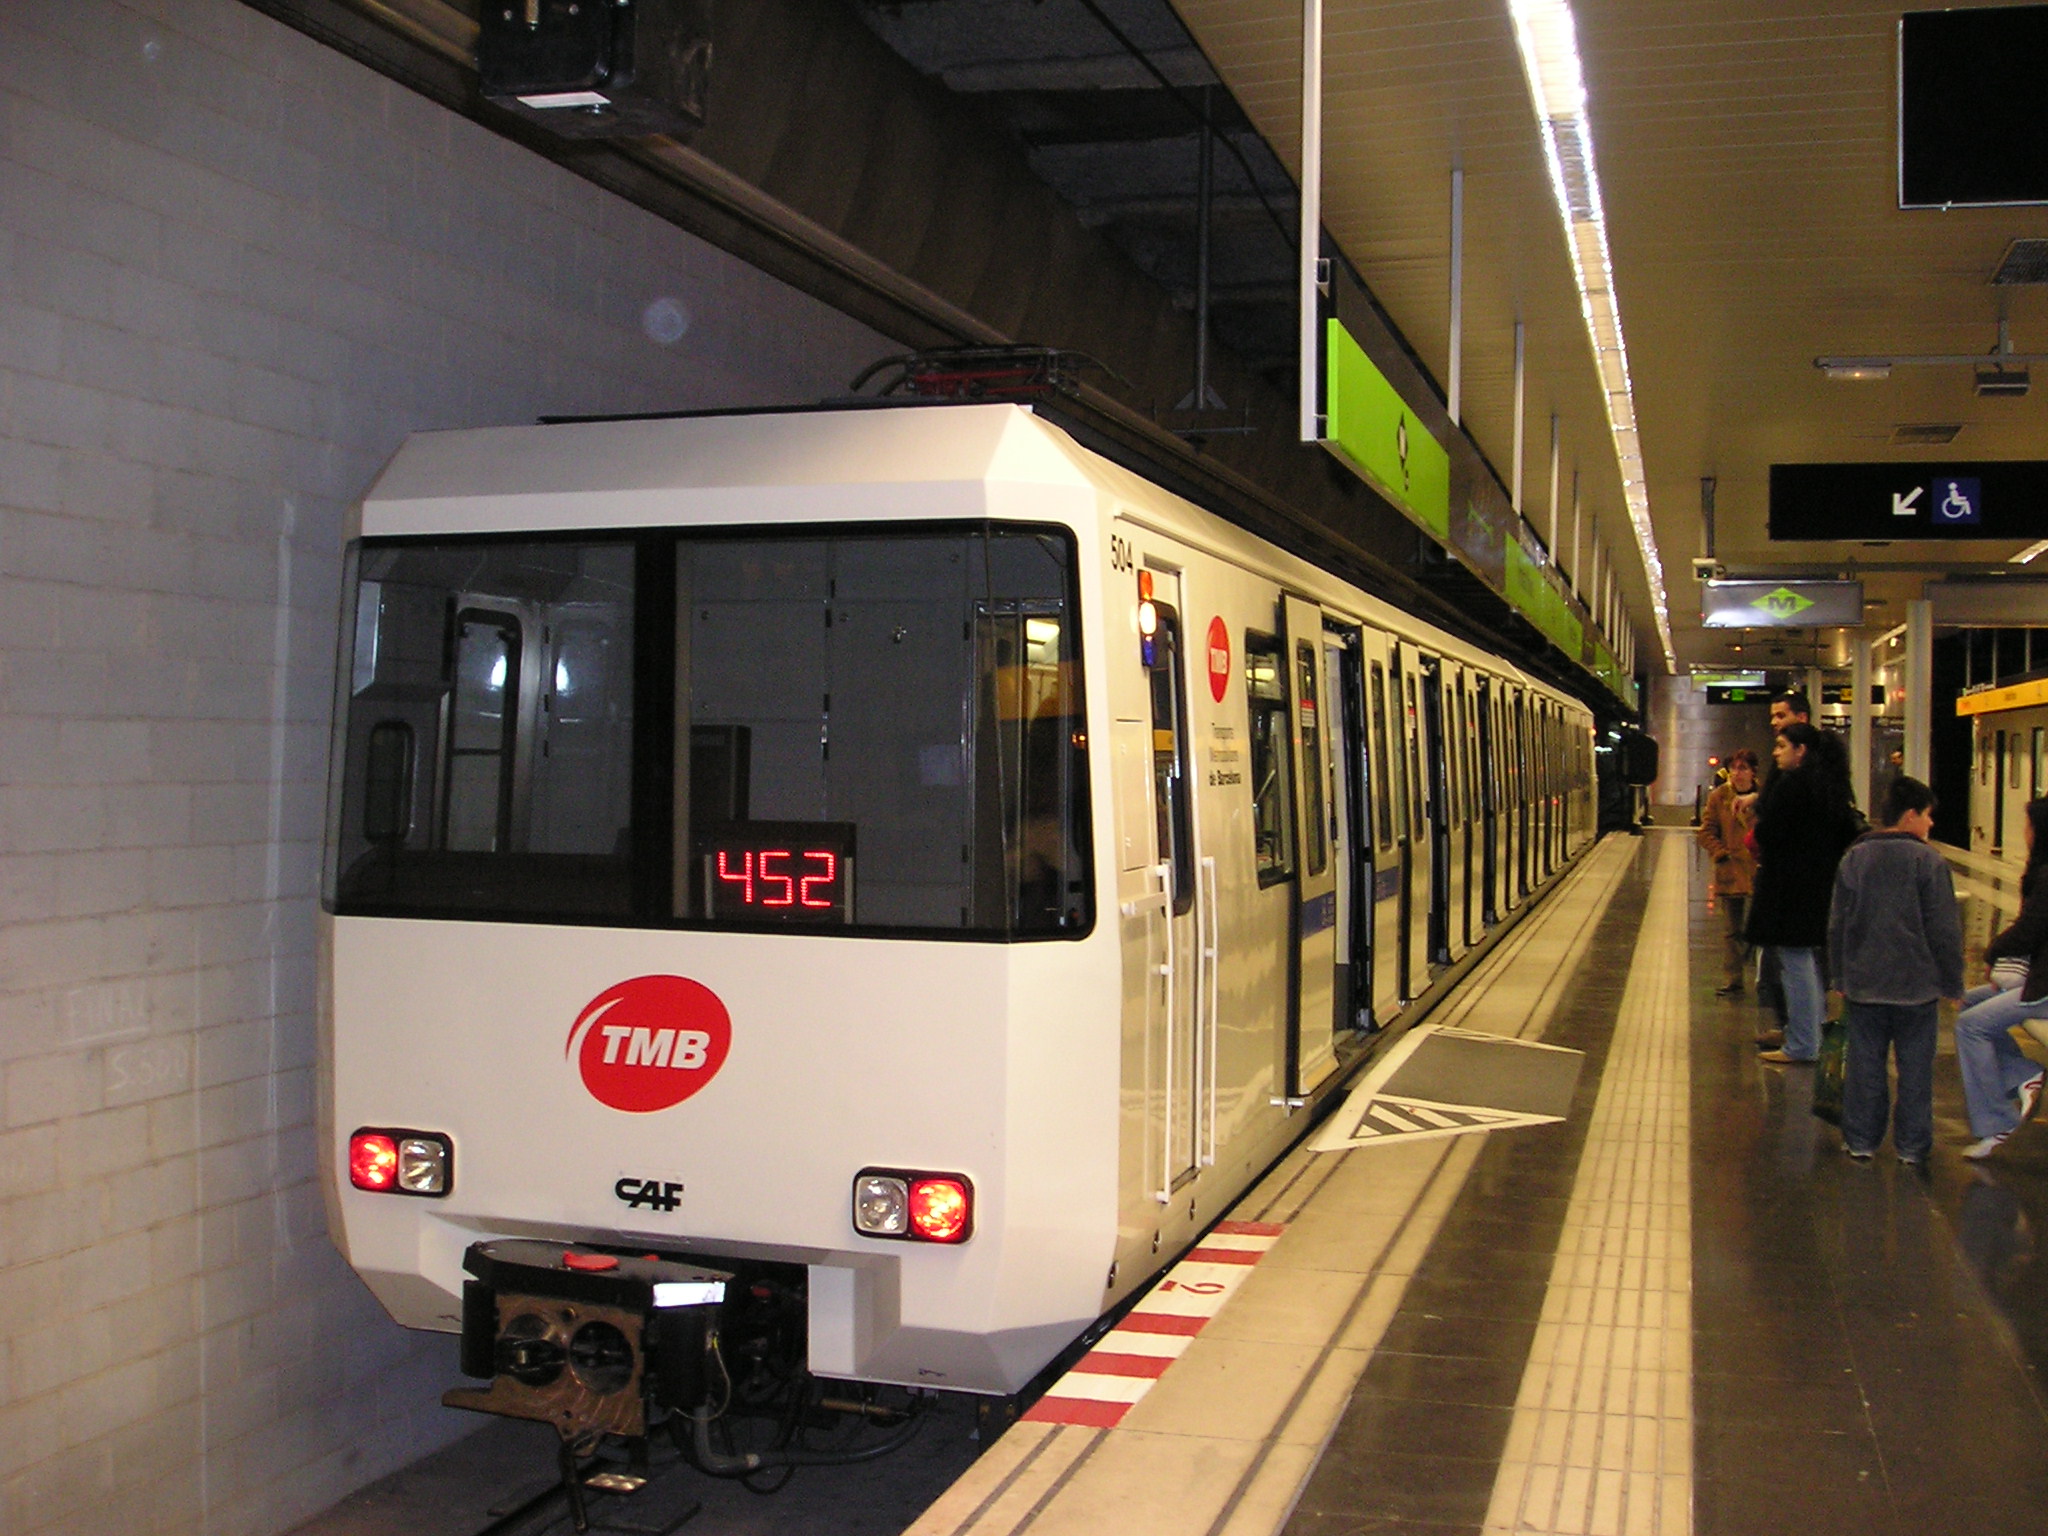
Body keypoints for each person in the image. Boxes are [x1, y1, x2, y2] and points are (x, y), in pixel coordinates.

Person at [1827, 776, 1963, 1164]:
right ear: (1909, 817)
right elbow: (1943, 929)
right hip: (1916, 987)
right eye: (1927, 816)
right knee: (1916, 1070)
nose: (1930, 824)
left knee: (1865, 1066)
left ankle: (1860, 1140)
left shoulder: (1855, 857)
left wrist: (1838, 974)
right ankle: (1912, 1147)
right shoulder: (1929, 862)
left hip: (1864, 983)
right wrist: (1952, 981)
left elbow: (1838, 922)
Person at [1747, 722, 1862, 1063]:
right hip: (1817, 887)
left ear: (1801, 751)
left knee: (1794, 964)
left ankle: (1802, 1042)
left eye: (1782, 745)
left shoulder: (1793, 786)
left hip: (1788, 889)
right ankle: (1807, 1033)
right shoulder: (1831, 788)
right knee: (1806, 963)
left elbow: (1769, 834)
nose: (1775, 752)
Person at [1954, 796, 2048, 1159]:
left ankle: (1996, 1124)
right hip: (2038, 979)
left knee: (1971, 1025)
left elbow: (2029, 930)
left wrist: (1993, 953)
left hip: (2043, 987)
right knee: (1968, 1000)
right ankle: (2021, 1073)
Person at [1697, 748, 1760, 996]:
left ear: (1753, 772)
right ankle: (1734, 979)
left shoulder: (1765, 797)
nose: (1737, 773)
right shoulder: (1719, 797)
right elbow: (1706, 831)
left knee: (1759, 930)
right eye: (1734, 768)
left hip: (1758, 869)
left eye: (1743, 768)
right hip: (1731, 869)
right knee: (1732, 930)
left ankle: (1763, 980)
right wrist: (1719, 852)